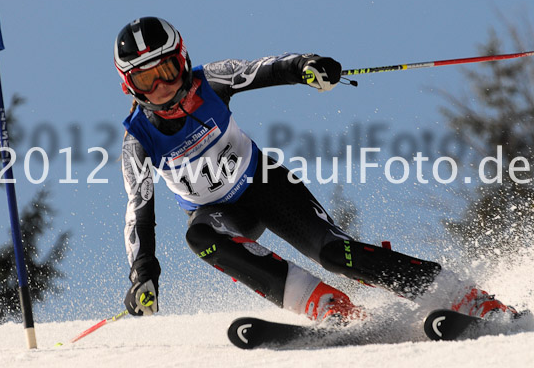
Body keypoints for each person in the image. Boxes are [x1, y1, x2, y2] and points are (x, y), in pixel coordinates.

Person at [114, 16, 518, 323]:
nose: (162, 87)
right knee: (199, 235)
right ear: (130, 86)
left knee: (333, 252)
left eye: (166, 71)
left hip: (265, 185)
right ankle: (326, 305)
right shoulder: (137, 140)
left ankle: (464, 297)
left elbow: (268, 67)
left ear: (182, 61)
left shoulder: (212, 80)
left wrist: (308, 66)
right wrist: (143, 275)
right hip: (222, 216)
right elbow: (139, 214)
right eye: (147, 80)